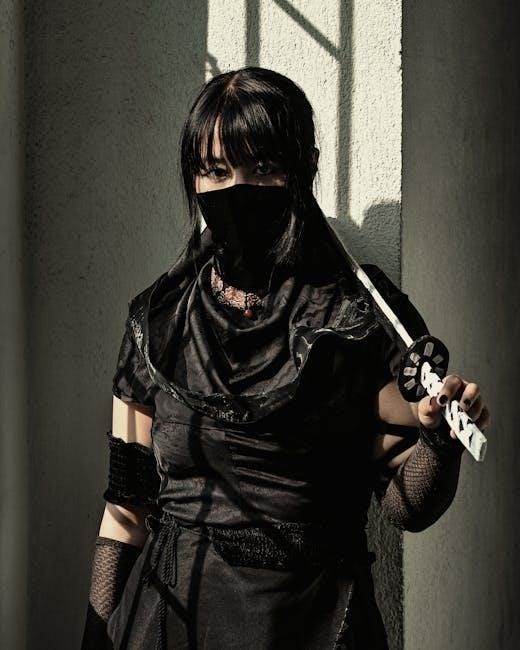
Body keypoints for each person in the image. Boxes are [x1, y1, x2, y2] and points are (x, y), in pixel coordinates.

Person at [81, 67, 490, 650]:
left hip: (315, 623)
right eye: (215, 171)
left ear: (304, 169)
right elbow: (125, 513)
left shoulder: (359, 316)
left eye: (262, 168)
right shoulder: (160, 320)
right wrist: (94, 639)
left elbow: (408, 507)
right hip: (171, 622)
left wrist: (439, 443)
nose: (237, 189)